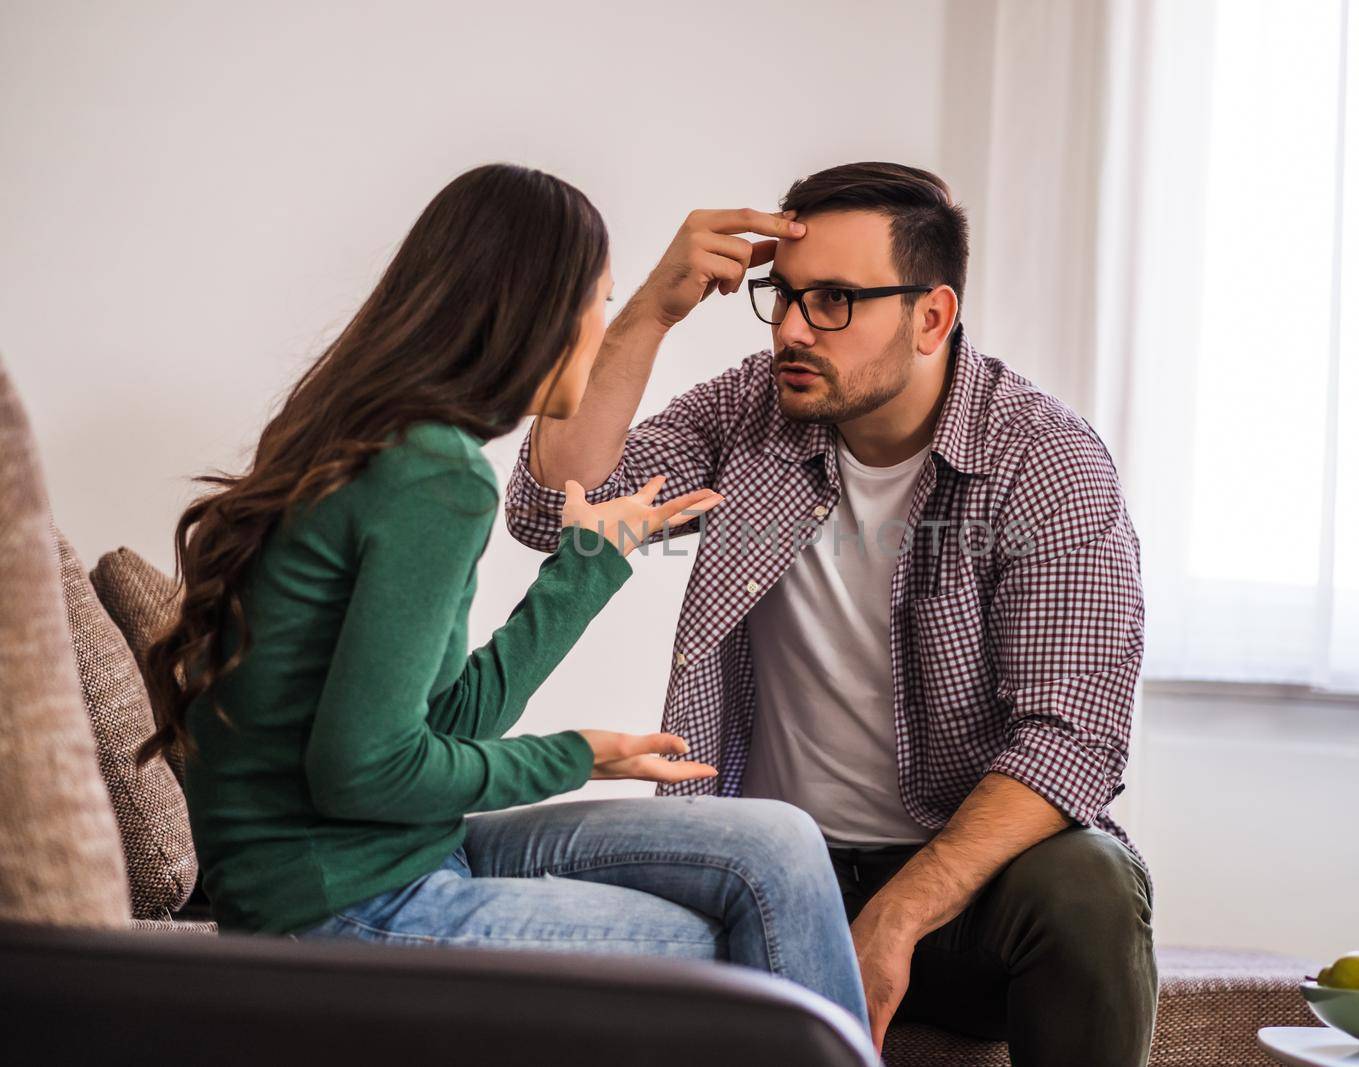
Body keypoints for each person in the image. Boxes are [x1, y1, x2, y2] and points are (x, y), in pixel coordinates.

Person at [138, 162, 869, 1031]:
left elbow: (439, 727)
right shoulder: (434, 475)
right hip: (338, 907)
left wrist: (590, 565)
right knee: (737, 950)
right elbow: (365, 769)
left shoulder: (385, 443)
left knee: (779, 847)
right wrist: (577, 753)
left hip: (403, 852)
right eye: (599, 302)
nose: (600, 328)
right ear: (537, 311)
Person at [506, 161, 1156, 1065]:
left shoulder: (1044, 463)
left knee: (1090, 884)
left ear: (932, 316)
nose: (795, 331)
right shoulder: (752, 412)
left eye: (837, 302)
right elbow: (552, 510)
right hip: (765, 866)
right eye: (785, 297)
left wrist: (896, 914)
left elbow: (1071, 737)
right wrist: (653, 308)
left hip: (954, 891)